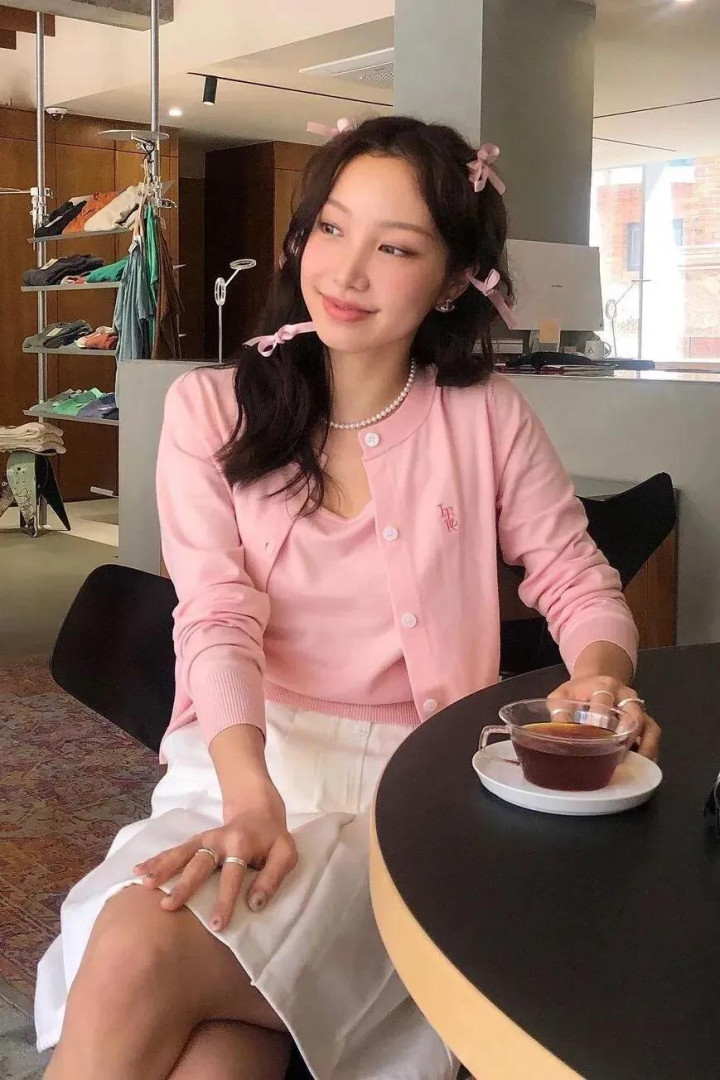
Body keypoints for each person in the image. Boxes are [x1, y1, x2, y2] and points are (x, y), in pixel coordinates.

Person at [35, 116, 660, 1080]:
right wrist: (251, 797)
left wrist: (602, 676)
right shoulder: (211, 410)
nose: (347, 271)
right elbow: (214, 616)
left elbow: (577, 578)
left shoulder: (488, 418)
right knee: (213, 1059)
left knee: (138, 948)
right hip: (240, 769)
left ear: (453, 279)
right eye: (331, 228)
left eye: (395, 248)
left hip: (411, 805)